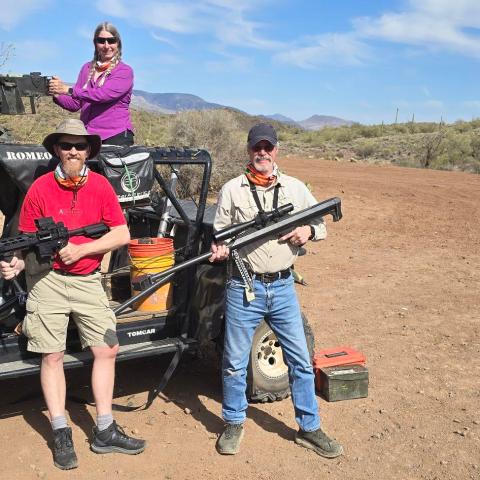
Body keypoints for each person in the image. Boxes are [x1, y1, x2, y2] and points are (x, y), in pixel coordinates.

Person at [0, 119, 145, 470]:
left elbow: (121, 233)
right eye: (67, 146)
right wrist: (15, 265)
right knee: (51, 355)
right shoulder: (38, 189)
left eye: (80, 146)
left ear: (89, 151)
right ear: (56, 150)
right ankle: (62, 430)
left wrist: (82, 250)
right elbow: (25, 241)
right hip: (47, 281)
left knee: (107, 348)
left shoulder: (99, 187)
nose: (73, 152)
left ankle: (105, 429)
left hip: (87, 279)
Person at [210, 123, 343, 458]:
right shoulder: (232, 190)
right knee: (235, 362)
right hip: (244, 286)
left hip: (283, 287)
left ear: (277, 151)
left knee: (299, 360)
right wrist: (221, 248)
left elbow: (320, 224)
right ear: (249, 150)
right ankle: (234, 423)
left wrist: (307, 233)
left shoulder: (295, 189)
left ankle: (310, 428)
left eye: (268, 148)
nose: (263, 153)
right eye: (257, 148)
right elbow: (221, 234)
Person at [49, 22, 134, 146]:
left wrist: (68, 90)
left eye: (111, 41)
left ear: (118, 44)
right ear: (95, 43)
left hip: (115, 136)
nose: (106, 46)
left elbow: (102, 95)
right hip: (88, 136)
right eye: (101, 40)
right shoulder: (86, 68)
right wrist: (56, 94)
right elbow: (76, 104)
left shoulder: (124, 71)